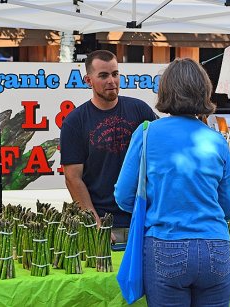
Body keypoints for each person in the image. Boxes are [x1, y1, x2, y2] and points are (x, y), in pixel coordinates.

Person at [114, 58, 230, 306]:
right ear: (205, 90)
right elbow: (229, 207)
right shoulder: (216, 141)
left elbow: (123, 196)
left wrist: (157, 206)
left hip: (165, 244)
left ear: (165, 90)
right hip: (216, 246)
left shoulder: (147, 133)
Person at [60, 50, 157, 243]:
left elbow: (159, 160)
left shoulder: (140, 110)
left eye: (115, 74)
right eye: (103, 76)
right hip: (105, 223)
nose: (111, 81)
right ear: (88, 80)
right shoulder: (75, 122)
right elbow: (73, 178)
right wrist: (95, 223)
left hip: (144, 220)